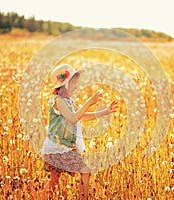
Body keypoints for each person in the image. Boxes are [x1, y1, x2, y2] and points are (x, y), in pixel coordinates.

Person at [41, 64, 118, 199]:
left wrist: (106, 111)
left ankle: (42, 196)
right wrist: (88, 102)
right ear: (65, 85)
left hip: (64, 146)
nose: (76, 87)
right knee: (85, 171)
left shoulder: (68, 101)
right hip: (58, 147)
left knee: (53, 181)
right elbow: (73, 119)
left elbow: (81, 116)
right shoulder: (58, 101)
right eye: (74, 83)